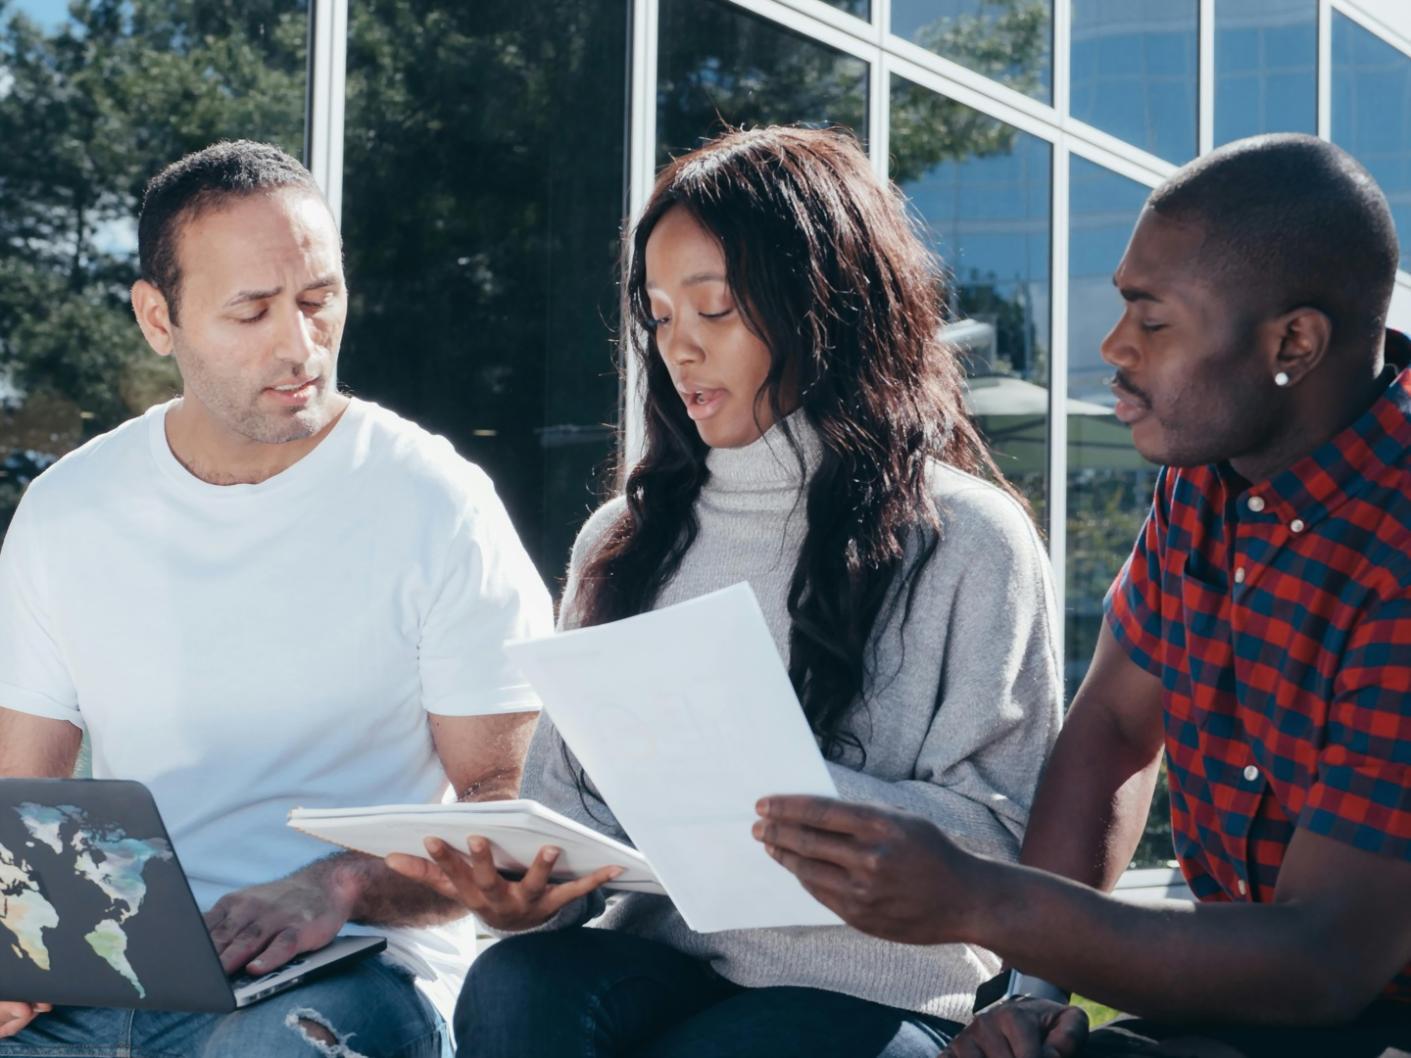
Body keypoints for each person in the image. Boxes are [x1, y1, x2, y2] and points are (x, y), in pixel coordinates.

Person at [385, 125, 1064, 1058]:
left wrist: (786, 797)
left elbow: (1003, 833)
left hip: (873, 990)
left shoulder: (968, 537)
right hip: (657, 960)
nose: (680, 351)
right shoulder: (618, 543)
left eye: (714, 310)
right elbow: (570, 818)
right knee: (513, 986)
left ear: (826, 308)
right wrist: (522, 894)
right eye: (660, 317)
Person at [755, 132, 1411, 1058]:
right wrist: (1032, 993)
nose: (1112, 348)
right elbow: (1110, 725)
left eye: (1152, 320)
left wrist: (985, 900)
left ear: (1292, 344)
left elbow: (1324, 958)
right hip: (1250, 1008)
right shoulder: (1209, 476)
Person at [0, 141, 552, 1057]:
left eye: (318, 299)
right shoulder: (70, 509)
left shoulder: (432, 502)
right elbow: (21, 796)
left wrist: (337, 885)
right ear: (156, 319)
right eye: (251, 311)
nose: (298, 346)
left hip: (351, 969)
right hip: (106, 973)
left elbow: (508, 800)